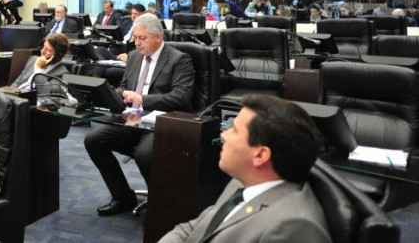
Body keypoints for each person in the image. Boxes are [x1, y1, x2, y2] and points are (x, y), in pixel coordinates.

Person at [158, 95, 329, 243]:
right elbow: (194, 229)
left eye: (234, 130)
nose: (223, 135)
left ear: (260, 155)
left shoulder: (293, 227)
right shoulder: (241, 183)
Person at [85, 13, 195, 216]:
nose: (137, 43)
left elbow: (181, 97)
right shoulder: (135, 57)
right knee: (93, 140)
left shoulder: (180, 59)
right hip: (132, 117)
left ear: (158, 37)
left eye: (142, 38)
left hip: (162, 121)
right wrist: (116, 95)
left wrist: (142, 99)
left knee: (145, 155)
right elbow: (124, 86)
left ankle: (161, 206)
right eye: (135, 38)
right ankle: (123, 197)